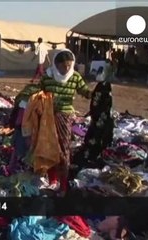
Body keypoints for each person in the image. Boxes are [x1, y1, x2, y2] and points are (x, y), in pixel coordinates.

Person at [40, 49, 92, 194]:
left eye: (69, 66)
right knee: (49, 147)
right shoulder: (47, 77)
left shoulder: (75, 77)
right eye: (63, 66)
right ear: (56, 65)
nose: (66, 69)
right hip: (47, 116)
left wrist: (93, 93)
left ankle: (63, 183)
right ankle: (52, 180)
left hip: (65, 115)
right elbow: (38, 93)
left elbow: (84, 90)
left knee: (63, 149)